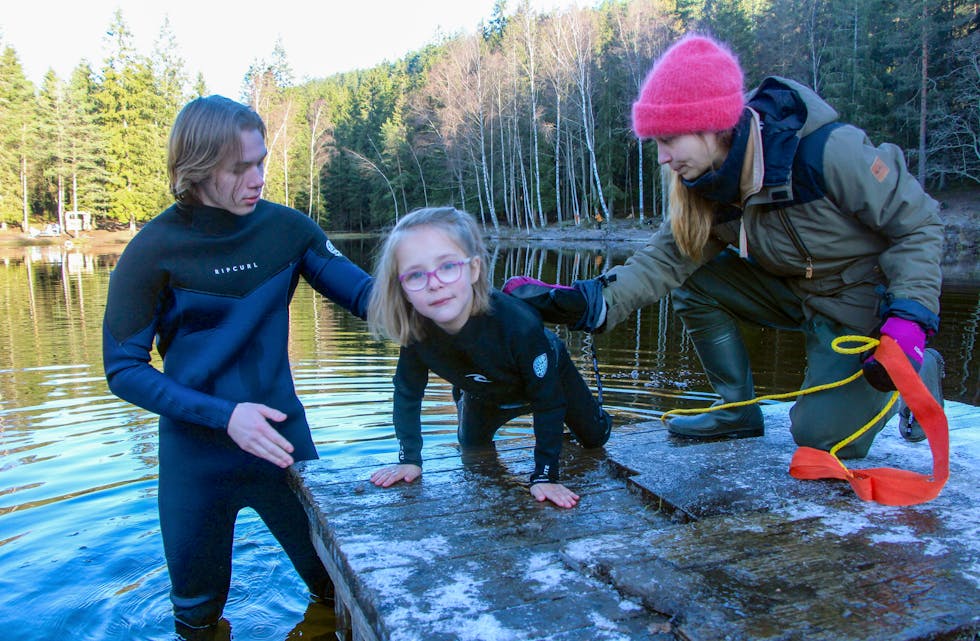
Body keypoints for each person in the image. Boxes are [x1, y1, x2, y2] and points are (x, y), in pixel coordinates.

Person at [506, 34, 943, 458]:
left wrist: (909, 319)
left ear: (712, 126)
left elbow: (918, 225)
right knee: (692, 278)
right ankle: (737, 410)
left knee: (822, 442)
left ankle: (917, 365)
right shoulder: (706, 184)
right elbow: (666, 259)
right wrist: (591, 301)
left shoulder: (826, 151)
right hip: (796, 293)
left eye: (668, 139)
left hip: (861, 308)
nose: (661, 157)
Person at [102, 95, 373, 638]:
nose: (258, 178)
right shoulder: (152, 250)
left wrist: (443, 285)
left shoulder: (289, 231)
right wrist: (226, 416)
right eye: (239, 168)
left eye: (261, 161)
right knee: (197, 620)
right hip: (196, 459)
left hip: (282, 446)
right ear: (197, 170)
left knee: (340, 595)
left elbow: (370, 298)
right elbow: (123, 368)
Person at [367, 207, 612, 508]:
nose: (434, 283)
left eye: (447, 266)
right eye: (416, 274)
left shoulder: (519, 326)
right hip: (483, 388)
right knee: (472, 447)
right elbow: (407, 393)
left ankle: (536, 293)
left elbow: (548, 402)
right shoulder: (416, 332)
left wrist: (544, 475)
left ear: (474, 269)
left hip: (547, 376)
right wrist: (410, 460)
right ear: (402, 288)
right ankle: (464, 396)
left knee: (595, 439)